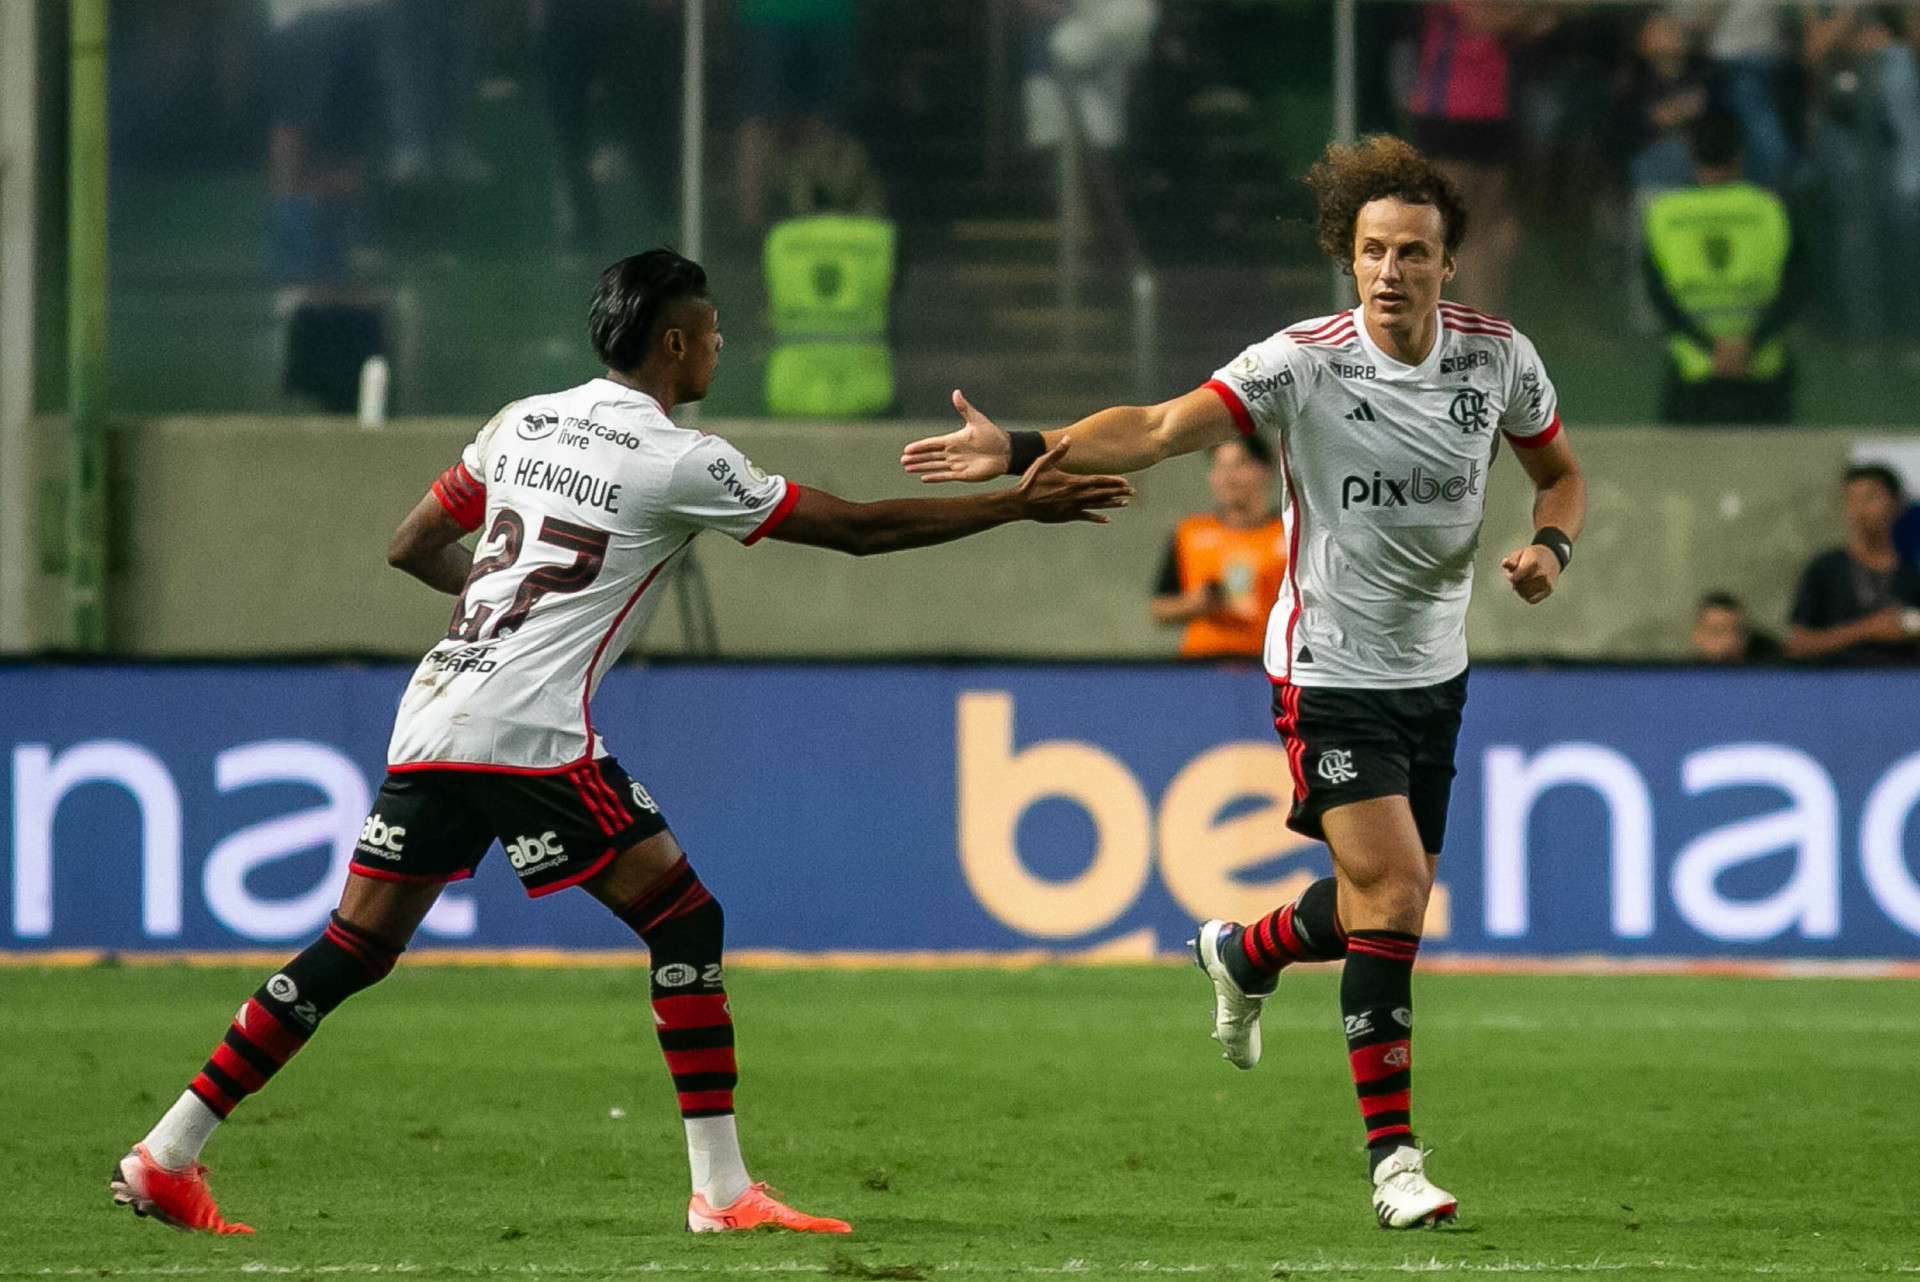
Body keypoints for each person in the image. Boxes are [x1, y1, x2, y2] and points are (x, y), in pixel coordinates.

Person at [110, 249, 1131, 1237]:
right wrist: (1011, 506)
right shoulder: (681, 461)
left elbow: (410, 542)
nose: (722, 345)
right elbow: (858, 530)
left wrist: (498, 613)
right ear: (678, 345)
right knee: (685, 920)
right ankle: (722, 1192)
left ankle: (168, 1150)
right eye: (716, 332)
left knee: (355, 945)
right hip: (534, 734)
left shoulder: (521, 422)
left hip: (435, 713)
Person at [902, 134, 1585, 1229]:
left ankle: (1243, 947)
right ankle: (1394, 1162)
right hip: (1326, 668)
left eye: (1414, 252)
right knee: (1401, 896)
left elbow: (1558, 474)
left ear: (1448, 263)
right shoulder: (1299, 361)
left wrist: (1552, 547)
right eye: (1373, 251)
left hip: (1437, 673)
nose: (1392, 271)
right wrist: (1031, 439)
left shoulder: (1500, 357)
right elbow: (1163, 428)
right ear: (1347, 257)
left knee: (1373, 902)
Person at [1644, 110, 1795, 425]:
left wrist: (1712, 348)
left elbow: (1659, 298)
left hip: (1694, 374)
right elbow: (1796, 291)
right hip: (1763, 376)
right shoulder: (1771, 210)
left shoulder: (1664, 215)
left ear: (1692, 153)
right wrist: (1748, 345)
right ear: (1740, 153)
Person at [1150, 436, 1287, 659]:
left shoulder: (1288, 534)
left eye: (1239, 465)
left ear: (1265, 470)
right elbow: (1159, 608)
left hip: (1267, 662)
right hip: (1202, 666)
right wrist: (1197, 603)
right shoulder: (1190, 533)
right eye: (1220, 467)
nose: (1228, 477)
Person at [1785, 463, 1920, 664]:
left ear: (1896, 503)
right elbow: (1797, 645)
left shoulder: (1912, 575)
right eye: (1852, 500)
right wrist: (1868, 629)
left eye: (1871, 498)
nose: (1860, 510)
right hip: (1836, 686)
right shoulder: (1826, 568)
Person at [1691, 590, 1784, 662]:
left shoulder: (1766, 676)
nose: (1730, 640)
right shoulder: (1685, 679)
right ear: (1698, 636)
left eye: (1737, 631)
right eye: (1719, 631)